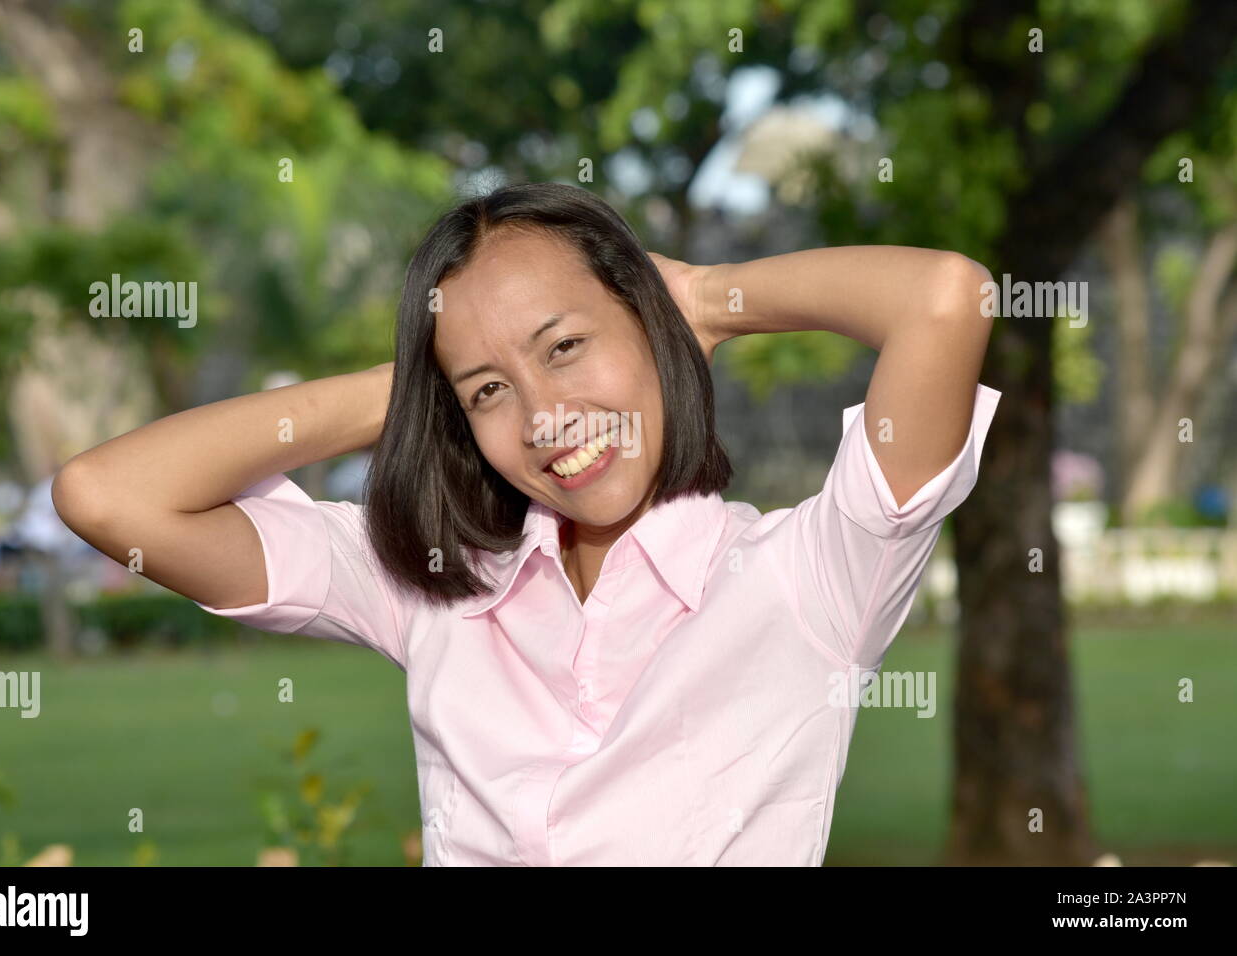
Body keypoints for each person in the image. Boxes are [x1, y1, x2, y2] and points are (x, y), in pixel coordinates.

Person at [53, 181, 999, 866]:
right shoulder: (430, 581)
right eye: (493, 391)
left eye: (569, 346)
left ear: (648, 323)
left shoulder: (810, 579)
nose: (547, 417)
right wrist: (424, 387)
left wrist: (709, 299)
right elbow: (108, 496)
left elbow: (945, 298)